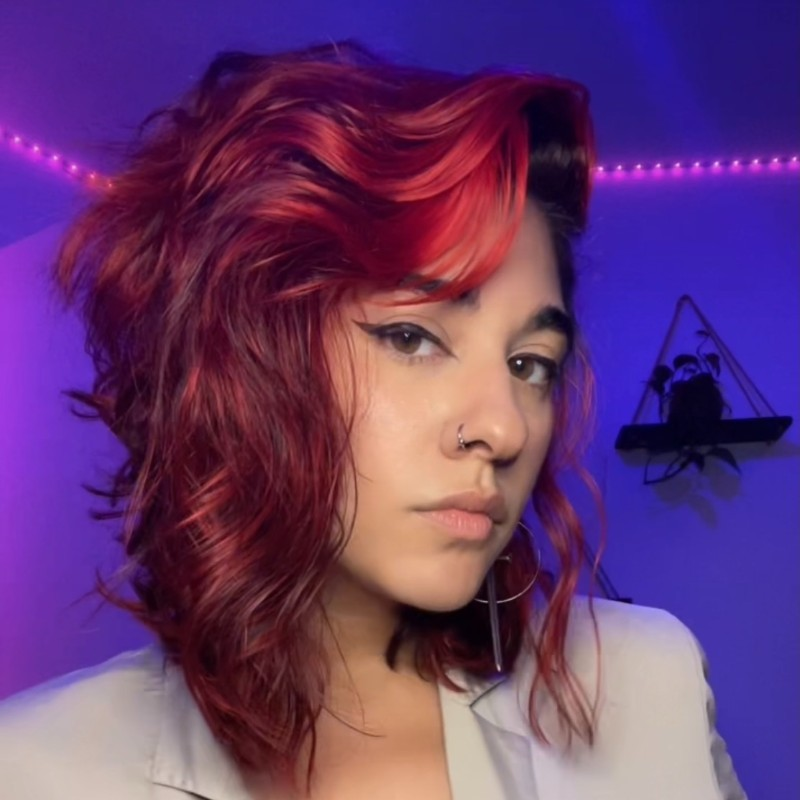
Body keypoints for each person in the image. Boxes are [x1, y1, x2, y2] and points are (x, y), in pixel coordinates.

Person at [0, 41, 746, 799]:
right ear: (248, 362)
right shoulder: (34, 770)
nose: (505, 430)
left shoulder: (653, 692)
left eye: (530, 364)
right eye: (413, 337)